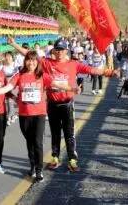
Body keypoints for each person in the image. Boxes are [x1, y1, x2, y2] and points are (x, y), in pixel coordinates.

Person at [8, 36, 107, 172]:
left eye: (62, 50)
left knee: (69, 133)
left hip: (67, 104)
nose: (60, 52)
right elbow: (28, 55)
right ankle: (55, 157)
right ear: (54, 51)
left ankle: (72, 158)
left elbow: (93, 70)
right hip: (52, 104)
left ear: (66, 51)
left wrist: (110, 72)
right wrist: (14, 44)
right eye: (57, 50)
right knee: (55, 133)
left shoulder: (74, 64)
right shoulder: (47, 63)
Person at [0, 51, 79, 182]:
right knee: (30, 143)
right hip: (24, 115)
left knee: (38, 143)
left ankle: (39, 171)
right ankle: (33, 165)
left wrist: (72, 89)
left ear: (37, 62)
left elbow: (57, 84)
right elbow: (7, 88)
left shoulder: (42, 76)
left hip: (39, 114)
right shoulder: (20, 76)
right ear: (25, 61)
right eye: (28, 60)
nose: (31, 63)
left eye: (34, 60)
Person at [0, 51, 20, 126]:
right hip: (5, 85)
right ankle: (12, 114)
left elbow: (20, 70)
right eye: (6, 56)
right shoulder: (2, 66)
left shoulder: (15, 65)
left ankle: (10, 116)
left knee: (10, 100)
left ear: (12, 57)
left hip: (14, 84)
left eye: (9, 57)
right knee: (9, 100)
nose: (8, 58)